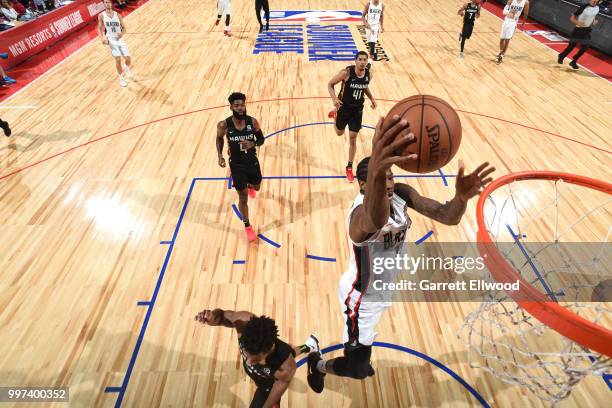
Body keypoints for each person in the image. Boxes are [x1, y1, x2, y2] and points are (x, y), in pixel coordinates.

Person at [305, 114, 495, 392]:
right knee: (357, 370)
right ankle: (317, 364)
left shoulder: (401, 194)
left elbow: (447, 216)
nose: (390, 182)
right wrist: (378, 171)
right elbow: (375, 221)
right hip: (361, 298)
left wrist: (461, 199)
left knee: (361, 358)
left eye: (392, 175)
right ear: (363, 184)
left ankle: (359, 353)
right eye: (383, 177)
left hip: (383, 288)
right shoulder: (359, 215)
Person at [195, 308, 320, 408]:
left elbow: (277, 388)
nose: (248, 361)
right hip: (267, 366)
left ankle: (309, 347)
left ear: (266, 351)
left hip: (267, 384)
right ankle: (309, 346)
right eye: (246, 353)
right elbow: (222, 315)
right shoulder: (243, 321)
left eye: (255, 359)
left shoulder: (286, 368)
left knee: (288, 355)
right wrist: (213, 317)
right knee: (290, 352)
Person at [216, 92, 265, 242]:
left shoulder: (253, 122)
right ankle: (248, 226)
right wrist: (220, 155)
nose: (240, 108)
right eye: (236, 105)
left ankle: (251, 185)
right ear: (231, 107)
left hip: (252, 162)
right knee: (243, 197)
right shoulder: (224, 124)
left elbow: (261, 139)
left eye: (242, 105)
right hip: (236, 165)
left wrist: (254, 143)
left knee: (257, 187)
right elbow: (219, 138)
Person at [327, 51, 377, 182]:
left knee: (353, 138)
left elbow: (364, 87)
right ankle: (335, 115)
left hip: (357, 110)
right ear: (355, 61)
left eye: (364, 60)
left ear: (367, 62)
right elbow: (330, 84)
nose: (362, 62)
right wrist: (334, 99)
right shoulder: (346, 73)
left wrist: (372, 98)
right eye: (360, 59)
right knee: (339, 133)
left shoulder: (368, 74)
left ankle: (349, 167)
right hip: (343, 107)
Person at [557, 0, 601, 70]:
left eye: (597, 0)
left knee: (585, 46)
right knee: (571, 47)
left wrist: (593, 21)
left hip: (586, 30)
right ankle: (562, 56)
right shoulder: (583, 7)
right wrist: (577, 22)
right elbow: (572, 18)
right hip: (577, 31)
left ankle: (574, 61)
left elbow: (593, 15)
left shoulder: (597, 8)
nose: (595, 1)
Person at [97, 0, 132, 87]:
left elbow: (124, 29)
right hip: (111, 39)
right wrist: (102, 38)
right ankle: (121, 78)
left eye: (108, 2)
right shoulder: (101, 15)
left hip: (120, 39)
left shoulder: (117, 15)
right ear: (103, 4)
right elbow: (99, 28)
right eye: (105, 2)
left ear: (111, 3)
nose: (107, 4)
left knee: (128, 59)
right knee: (118, 59)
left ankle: (126, 68)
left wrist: (122, 33)